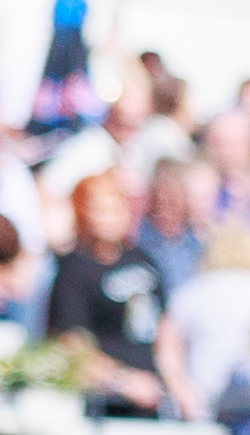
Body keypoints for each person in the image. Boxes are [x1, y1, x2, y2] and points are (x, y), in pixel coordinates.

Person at [44, 169, 175, 413]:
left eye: (117, 208)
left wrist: (174, 377)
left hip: (153, 391)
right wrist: (122, 381)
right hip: (107, 398)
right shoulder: (73, 268)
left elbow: (165, 326)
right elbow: (71, 342)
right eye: (101, 210)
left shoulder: (143, 260)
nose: (110, 218)